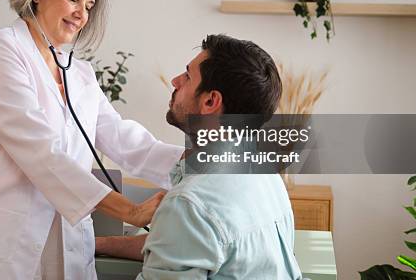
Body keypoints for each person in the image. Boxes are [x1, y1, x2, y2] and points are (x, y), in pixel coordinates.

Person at [0, 0, 184, 280]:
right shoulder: (1, 52)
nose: (82, 14)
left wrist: (216, 160)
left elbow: (127, 141)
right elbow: (40, 152)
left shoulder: (79, 73)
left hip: (65, 247)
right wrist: (130, 210)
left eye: (89, 5)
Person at [95, 34, 303, 279]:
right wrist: (100, 243)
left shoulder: (189, 205)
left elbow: (188, 234)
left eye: (187, 76)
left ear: (211, 101)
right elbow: (184, 245)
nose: (175, 81)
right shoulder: (264, 174)